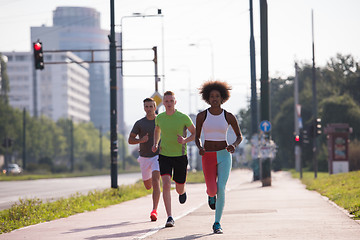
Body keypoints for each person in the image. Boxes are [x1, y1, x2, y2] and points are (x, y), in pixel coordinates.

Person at [195, 80, 243, 234]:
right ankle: (210, 196)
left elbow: (239, 136)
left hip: (224, 155)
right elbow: (197, 137)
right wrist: (200, 147)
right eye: (211, 96)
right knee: (211, 189)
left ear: (223, 98)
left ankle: (217, 223)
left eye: (217, 96)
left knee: (221, 188)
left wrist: (234, 146)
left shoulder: (229, 116)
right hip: (207, 156)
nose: (214, 98)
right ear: (207, 99)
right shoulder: (202, 116)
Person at [152, 91, 196, 228]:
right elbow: (157, 131)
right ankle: (170, 217)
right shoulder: (159, 118)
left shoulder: (183, 117)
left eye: (171, 101)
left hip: (180, 156)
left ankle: (182, 191)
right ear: (163, 103)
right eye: (166, 101)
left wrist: (185, 140)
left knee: (178, 188)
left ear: (175, 102)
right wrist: (155, 143)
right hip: (164, 155)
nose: (169, 103)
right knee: (165, 183)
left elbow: (195, 133)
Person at [128, 98, 161, 222]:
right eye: (146, 107)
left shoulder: (161, 120)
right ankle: (152, 177)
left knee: (156, 181)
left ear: (155, 107)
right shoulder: (139, 123)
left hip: (157, 155)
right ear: (144, 108)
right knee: (148, 186)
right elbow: (130, 140)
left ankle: (154, 210)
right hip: (144, 157)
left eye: (151, 106)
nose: (148, 109)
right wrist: (140, 141)